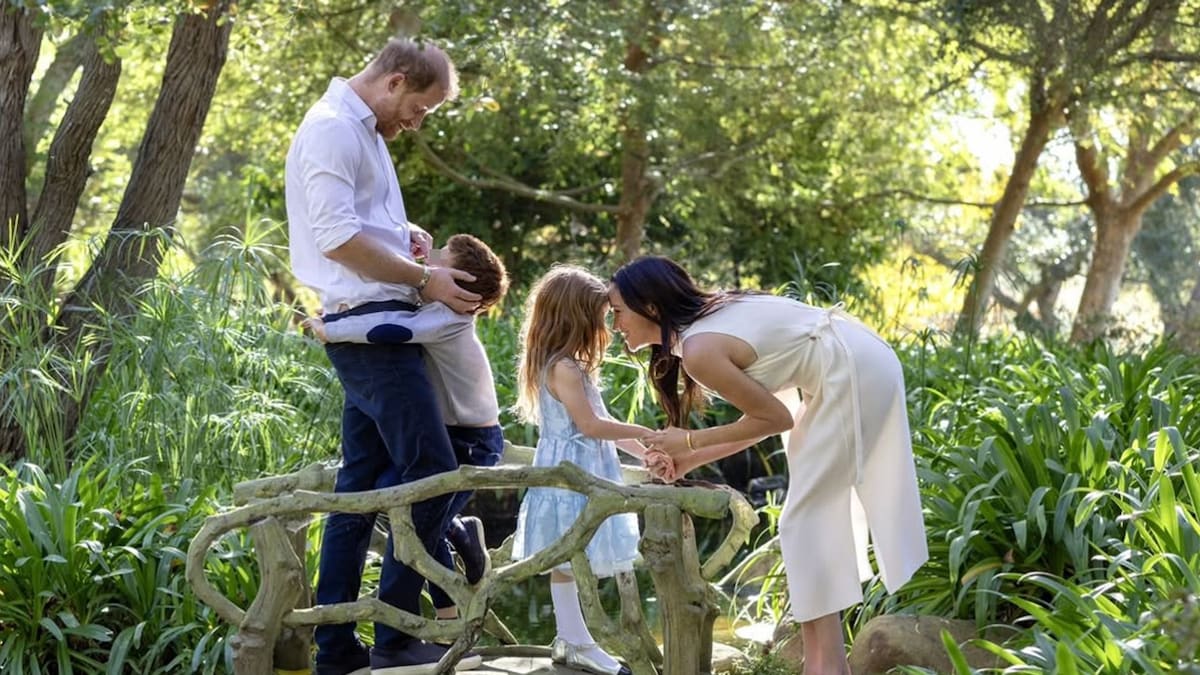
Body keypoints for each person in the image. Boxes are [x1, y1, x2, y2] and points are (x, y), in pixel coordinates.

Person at [609, 256, 928, 675]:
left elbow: (776, 418)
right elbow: (762, 421)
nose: (615, 325)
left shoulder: (701, 348)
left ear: (649, 306)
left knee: (804, 520)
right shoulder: (706, 326)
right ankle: (825, 662)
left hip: (853, 370)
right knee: (808, 521)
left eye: (617, 311)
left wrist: (686, 440)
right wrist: (690, 456)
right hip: (850, 363)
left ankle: (827, 665)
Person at [285, 37, 485, 675]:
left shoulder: (365, 131)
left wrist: (403, 237)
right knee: (432, 467)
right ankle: (397, 631)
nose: (417, 123)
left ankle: (338, 649)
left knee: (360, 487)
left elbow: (359, 224)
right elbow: (337, 239)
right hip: (370, 331)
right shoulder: (333, 130)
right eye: (421, 109)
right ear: (396, 81)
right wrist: (426, 280)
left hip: (374, 321)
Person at [305, 233, 509, 621]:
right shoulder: (437, 310)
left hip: (474, 441)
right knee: (410, 509)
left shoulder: (448, 318)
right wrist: (415, 259)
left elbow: (392, 328)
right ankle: (450, 598)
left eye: (439, 265)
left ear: (461, 287)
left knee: (415, 511)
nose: (428, 271)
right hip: (456, 431)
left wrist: (333, 329)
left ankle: (455, 549)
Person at [509, 266, 649, 675]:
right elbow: (590, 427)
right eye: (602, 316)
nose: (606, 324)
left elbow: (601, 423)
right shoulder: (563, 368)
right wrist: (649, 431)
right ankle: (577, 641)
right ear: (577, 317)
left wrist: (647, 452)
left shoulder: (571, 365)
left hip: (580, 469)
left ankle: (571, 637)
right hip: (571, 476)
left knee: (572, 559)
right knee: (570, 558)